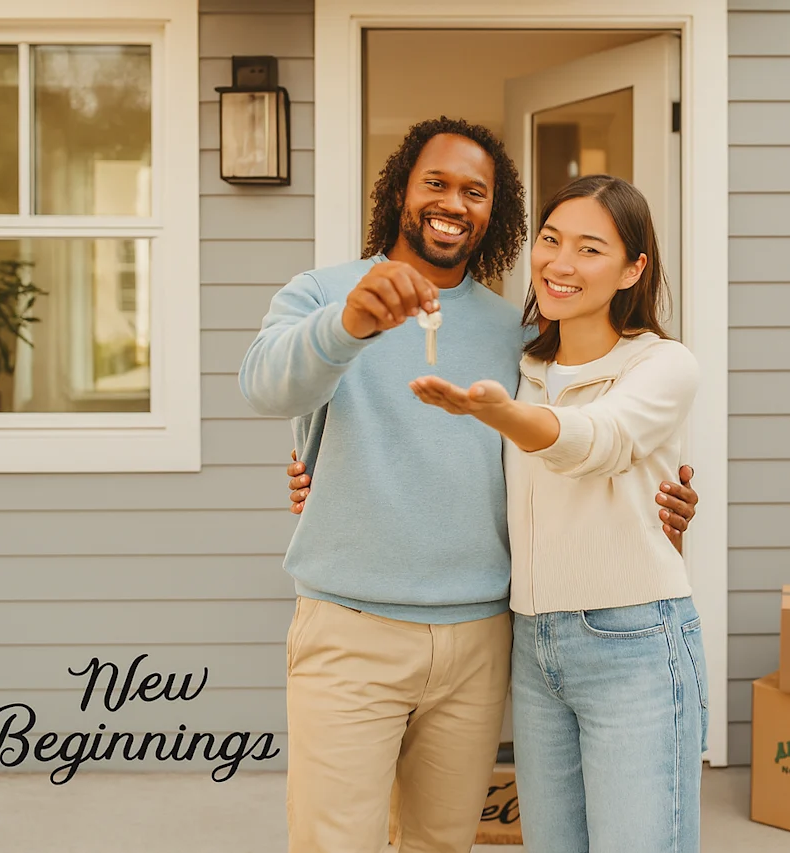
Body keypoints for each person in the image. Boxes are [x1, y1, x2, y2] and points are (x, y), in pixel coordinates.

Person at [238, 116, 699, 853]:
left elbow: (572, 445)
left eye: (475, 191)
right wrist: (348, 324)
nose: (454, 202)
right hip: (351, 628)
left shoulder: (517, 334)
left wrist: (661, 500)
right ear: (401, 192)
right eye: (437, 183)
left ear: (495, 211)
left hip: (482, 636)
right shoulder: (322, 293)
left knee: (444, 841)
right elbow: (266, 388)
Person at [408, 174, 707, 852]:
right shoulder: (519, 365)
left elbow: (599, 442)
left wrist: (507, 414)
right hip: (533, 647)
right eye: (550, 240)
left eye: (590, 249)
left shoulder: (663, 364)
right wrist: (314, 480)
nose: (560, 264)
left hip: (633, 642)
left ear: (635, 268)